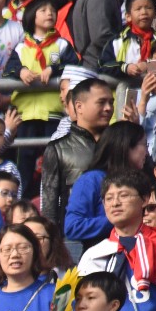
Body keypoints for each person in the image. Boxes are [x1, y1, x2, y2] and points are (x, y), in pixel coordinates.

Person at [41, 78, 114, 229]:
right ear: (79, 107)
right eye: (101, 102)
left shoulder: (120, 143)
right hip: (75, 240)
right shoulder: (58, 149)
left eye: (111, 102)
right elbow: (50, 209)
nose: (108, 108)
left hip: (118, 237)